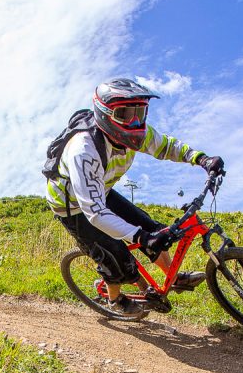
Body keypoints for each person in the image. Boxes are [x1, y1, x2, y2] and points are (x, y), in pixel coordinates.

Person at [44, 77, 225, 315]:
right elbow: (96, 213)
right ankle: (115, 300)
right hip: (74, 205)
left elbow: (167, 146)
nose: (135, 121)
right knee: (113, 252)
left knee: (151, 228)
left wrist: (200, 158)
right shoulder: (84, 151)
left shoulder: (136, 133)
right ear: (105, 114)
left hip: (102, 190)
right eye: (126, 114)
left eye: (141, 112)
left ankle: (174, 278)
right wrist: (140, 237)